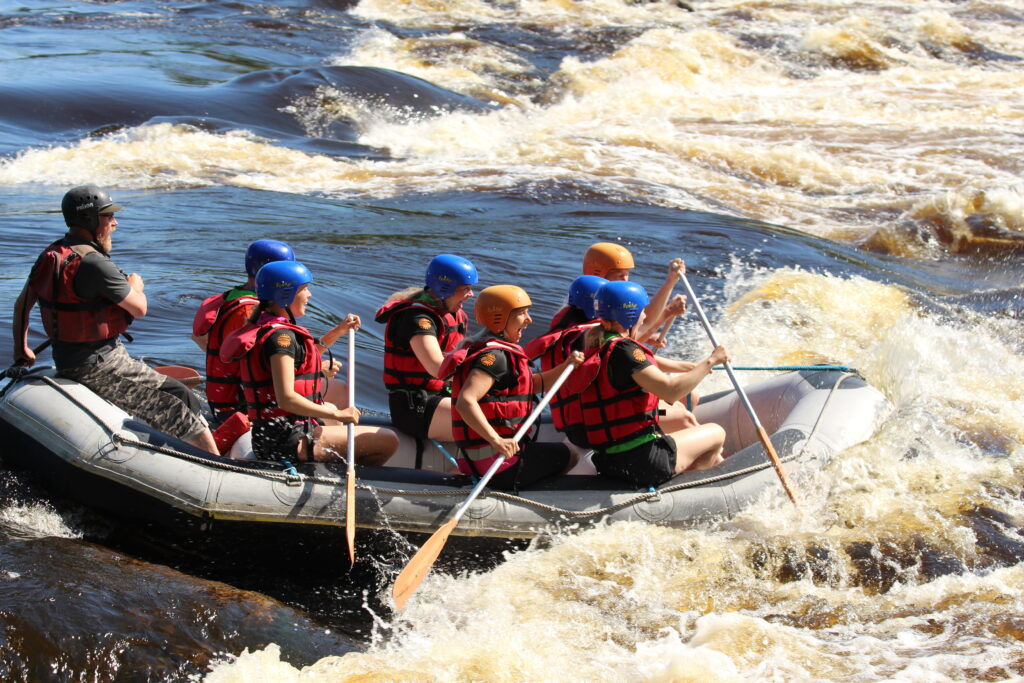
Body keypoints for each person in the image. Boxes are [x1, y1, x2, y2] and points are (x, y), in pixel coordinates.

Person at [11, 185, 219, 455]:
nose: (114, 222)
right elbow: (139, 308)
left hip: (80, 358)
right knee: (173, 409)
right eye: (108, 216)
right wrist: (135, 285)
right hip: (96, 365)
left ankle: (190, 444)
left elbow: (21, 306)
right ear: (90, 219)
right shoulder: (95, 263)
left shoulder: (51, 255)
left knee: (179, 392)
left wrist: (21, 348)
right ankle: (217, 463)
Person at [220, 260, 398, 465]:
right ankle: (358, 483)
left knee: (331, 411)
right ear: (285, 295)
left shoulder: (267, 326)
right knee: (387, 440)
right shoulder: (280, 339)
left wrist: (339, 330)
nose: (309, 295)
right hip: (285, 441)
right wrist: (337, 412)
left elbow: (306, 355)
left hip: (278, 433)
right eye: (304, 289)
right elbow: (286, 399)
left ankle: (334, 468)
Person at [569, 280, 730, 489]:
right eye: (642, 311)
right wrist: (711, 361)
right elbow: (671, 392)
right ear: (630, 315)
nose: (645, 316)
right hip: (643, 462)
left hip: (607, 461)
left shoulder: (591, 341)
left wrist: (691, 367)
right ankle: (695, 487)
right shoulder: (624, 350)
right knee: (716, 432)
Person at [440, 285, 582, 491]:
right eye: (522, 313)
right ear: (500, 318)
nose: (529, 319)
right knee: (570, 455)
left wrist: (567, 366)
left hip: (479, 461)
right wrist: (497, 440)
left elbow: (533, 385)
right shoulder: (495, 357)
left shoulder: (490, 349)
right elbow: (466, 401)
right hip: (497, 464)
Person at [374, 254, 477, 443]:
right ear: (445, 289)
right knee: (486, 419)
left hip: (440, 397)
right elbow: (438, 368)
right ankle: (465, 469)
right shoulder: (417, 319)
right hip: (414, 407)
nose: (471, 295)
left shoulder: (454, 313)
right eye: (466, 289)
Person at [191, 239, 296, 424]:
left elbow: (199, 338)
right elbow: (262, 365)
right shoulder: (250, 311)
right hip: (242, 408)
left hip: (226, 399)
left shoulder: (229, 298)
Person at [524, 275, 606, 447]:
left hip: (571, 424)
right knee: (677, 413)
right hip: (594, 427)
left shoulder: (560, 333)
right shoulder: (593, 336)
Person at [582, 241, 687, 345]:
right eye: (620, 275)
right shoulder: (597, 307)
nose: (625, 280)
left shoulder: (582, 294)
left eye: (626, 274)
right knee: (691, 364)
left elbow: (632, 334)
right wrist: (669, 311)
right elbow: (644, 325)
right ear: (599, 275)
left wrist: (646, 338)